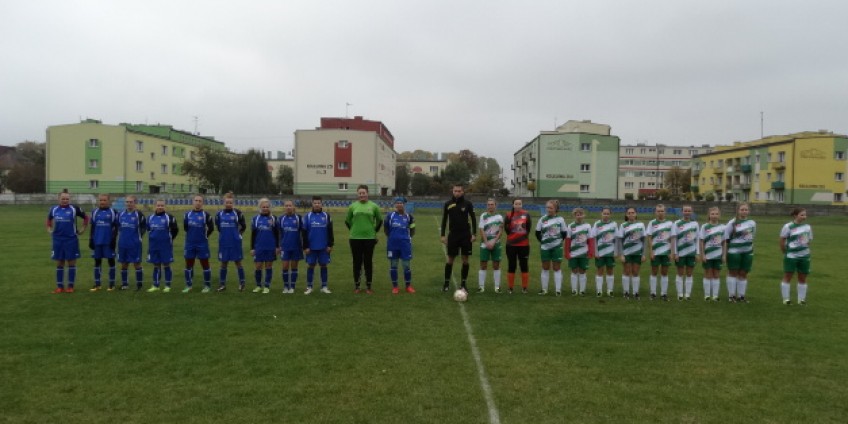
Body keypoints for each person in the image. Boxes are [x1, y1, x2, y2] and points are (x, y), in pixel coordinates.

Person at [47, 191, 88, 293]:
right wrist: (49, 229)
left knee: (71, 262)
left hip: (71, 240)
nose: (65, 200)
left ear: (69, 199)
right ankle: (60, 287)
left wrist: (83, 228)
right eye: (63, 199)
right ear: (58, 199)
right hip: (58, 240)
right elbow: (48, 220)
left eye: (67, 199)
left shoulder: (74, 209)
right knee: (60, 262)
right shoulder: (53, 209)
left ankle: (70, 286)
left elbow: (86, 217)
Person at [345, 184, 382, 294]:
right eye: (360, 193)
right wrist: (354, 230)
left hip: (369, 238)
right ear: (357, 194)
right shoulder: (352, 206)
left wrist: (373, 232)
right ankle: (357, 286)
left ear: (367, 193)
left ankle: (368, 287)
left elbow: (380, 221)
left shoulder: (374, 206)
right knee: (356, 262)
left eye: (364, 193)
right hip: (355, 238)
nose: (362, 195)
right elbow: (347, 221)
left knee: (368, 262)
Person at [440, 184, 477, 292]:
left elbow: (474, 219)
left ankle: (464, 284)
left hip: (466, 235)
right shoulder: (448, 204)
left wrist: (474, 234)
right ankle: (446, 284)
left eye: (459, 191)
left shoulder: (468, 204)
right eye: (455, 190)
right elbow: (444, 220)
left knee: (465, 260)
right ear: (452, 191)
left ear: (463, 192)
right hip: (453, 235)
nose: (457, 192)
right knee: (450, 259)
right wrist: (442, 235)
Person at [779, 208, 813, 305]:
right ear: (795, 215)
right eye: (802, 215)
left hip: (805, 256)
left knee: (802, 277)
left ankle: (801, 300)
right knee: (788, 276)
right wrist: (785, 252)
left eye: (805, 215)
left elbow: (809, 240)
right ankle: (786, 299)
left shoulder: (807, 227)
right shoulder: (788, 226)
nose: (804, 217)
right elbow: (782, 240)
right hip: (791, 256)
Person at [725, 203, 756, 303]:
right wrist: (725, 253)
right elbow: (726, 238)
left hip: (748, 251)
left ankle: (741, 296)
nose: (744, 211)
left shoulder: (752, 223)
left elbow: (753, 236)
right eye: (742, 209)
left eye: (746, 210)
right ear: (738, 211)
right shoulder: (732, 223)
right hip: (734, 251)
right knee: (733, 272)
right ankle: (731, 296)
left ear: (748, 211)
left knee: (743, 273)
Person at [215, 192, 247, 292]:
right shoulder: (219, 214)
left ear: (233, 203)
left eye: (230, 202)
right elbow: (218, 227)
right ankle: (222, 285)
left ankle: (242, 283)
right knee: (223, 263)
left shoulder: (238, 213)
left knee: (238, 262)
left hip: (235, 242)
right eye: (227, 202)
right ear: (223, 202)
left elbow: (243, 226)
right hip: (224, 242)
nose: (228, 204)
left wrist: (238, 235)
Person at [302, 196, 334, 295]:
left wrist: (330, 245)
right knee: (311, 265)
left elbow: (330, 231)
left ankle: (324, 286)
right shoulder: (307, 216)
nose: (317, 204)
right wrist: (305, 247)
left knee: (323, 265)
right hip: (311, 247)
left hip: (324, 247)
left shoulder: (326, 216)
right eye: (315, 203)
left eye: (318, 203)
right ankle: (309, 287)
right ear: (312, 204)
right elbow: (304, 232)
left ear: (321, 204)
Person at [183, 194, 215, 293]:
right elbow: (186, 228)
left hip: (202, 244)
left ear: (202, 203)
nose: (198, 202)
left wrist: (205, 236)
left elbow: (211, 228)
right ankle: (188, 285)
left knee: (205, 264)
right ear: (193, 202)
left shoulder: (206, 215)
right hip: (190, 243)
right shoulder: (187, 215)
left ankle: (207, 285)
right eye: (196, 200)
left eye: (200, 201)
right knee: (189, 264)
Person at [146, 199, 179, 293]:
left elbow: (175, 230)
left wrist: (169, 239)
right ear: (155, 206)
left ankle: (167, 285)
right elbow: (148, 229)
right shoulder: (150, 218)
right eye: (158, 205)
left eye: (162, 205)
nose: (160, 207)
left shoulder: (169, 218)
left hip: (165, 246)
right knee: (156, 265)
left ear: (165, 207)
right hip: (154, 245)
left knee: (166, 264)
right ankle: (155, 285)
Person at [384, 196, 416, 294]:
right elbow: (386, 229)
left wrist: (407, 238)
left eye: (401, 203)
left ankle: (408, 286)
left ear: (404, 204)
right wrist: (393, 237)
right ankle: (395, 287)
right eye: (397, 203)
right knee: (393, 265)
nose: (399, 204)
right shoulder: (390, 216)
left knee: (406, 265)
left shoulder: (409, 217)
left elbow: (412, 230)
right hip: (393, 244)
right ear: (395, 204)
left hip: (405, 244)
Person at [535, 200, 567, 296]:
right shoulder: (542, 219)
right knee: (545, 267)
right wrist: (543, 242)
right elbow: (537, 233)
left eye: (551, 208)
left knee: (557, 267)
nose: (548, 210)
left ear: (556, 209)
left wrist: (557, 241)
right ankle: (544, 289)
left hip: (557, 247)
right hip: (545, 247)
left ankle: (558, 290)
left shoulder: (560, 219)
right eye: (547, 207)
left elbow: (564, 233)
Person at [88, 194, 118, 291]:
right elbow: (92, 227)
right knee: (97, 262)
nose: (102, 202)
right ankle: (97, 284)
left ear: (108, 201)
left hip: (108, 242)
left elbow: (116, 227)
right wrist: (91, 239)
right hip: (97, 241)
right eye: (100, 200)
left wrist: (113, 240)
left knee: (111, 261)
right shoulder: (94, 212)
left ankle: (111, 284)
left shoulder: (113, 212)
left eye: (104, 200)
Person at [250, 198, 280, 294]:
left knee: (268, 266)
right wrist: (252, 248)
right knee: (258, 266)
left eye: (267, 207)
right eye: (263, 207)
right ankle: (258, 285)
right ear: (260, 207)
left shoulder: (274, 218)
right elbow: (253, 235)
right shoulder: (255, 219)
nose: (265, 208)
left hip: (270, 247)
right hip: (259, 247)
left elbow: (277, 234)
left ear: (269, 208)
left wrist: (277, 247)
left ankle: (267, 286)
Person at [117, 195, 146, 290]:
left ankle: (139, 285)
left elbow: (143, 227)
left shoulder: (139, 214)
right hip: (123, 243)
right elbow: (118, 227)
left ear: (135, 203)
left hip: (135, 244)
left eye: (131, 202)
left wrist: (138, 237)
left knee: (136, 263)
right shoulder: (120, 214)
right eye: (127, 202)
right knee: (124, 263)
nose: (129, 204)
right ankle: (125, 284)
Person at [671, 205, 699, 300]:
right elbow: (674, 239)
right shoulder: (677, 223)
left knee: (689, 273)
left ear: (691, 212)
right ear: (682, 212)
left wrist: (697, 253)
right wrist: (675, 253)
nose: (687, 212)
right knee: (680, 272)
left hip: (691, 252)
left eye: (689, 211)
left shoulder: (695, 224)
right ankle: (679, 294)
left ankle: (687, 294)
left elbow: (697, 239)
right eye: (685, 211)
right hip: (680, 252)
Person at [699, 206, 726, 302]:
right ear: (709, 215)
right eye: (712, 214)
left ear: (719, 215)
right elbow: (701, 241)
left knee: (716, 274)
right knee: (708, 273)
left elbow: (724, 242)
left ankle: (715, 295)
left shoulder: (723, 227)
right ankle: (707, 295)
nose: (714, 216)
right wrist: (702, 255)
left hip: (718, 255)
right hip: (708, 255)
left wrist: (724, 255)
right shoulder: (705, 227)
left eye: (716, 214)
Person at [646, 204, 673, 301]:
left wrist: (671, 252)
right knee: (654, 271)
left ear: (665, 212)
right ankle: (653, 293)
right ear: (655, 212)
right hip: (656, 252)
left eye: (662, 211)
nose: (660, 213)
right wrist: (651, 251)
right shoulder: (652, 223)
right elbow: (649, 237)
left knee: (665, 272)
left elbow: (671, 238)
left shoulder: (670, 223)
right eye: (658, 211)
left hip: (666, 252)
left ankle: (664, 294)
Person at [504, 198, 531, 294]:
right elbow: (506, 230)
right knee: (512, 265)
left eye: (520, 204)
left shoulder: (526, 214)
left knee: (524, 265)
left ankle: (524, 288)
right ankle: (510, 288)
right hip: (511, 245)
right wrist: (513, 238)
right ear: (513, 205)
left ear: (522, 205)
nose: (518, 205)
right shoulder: (508, 215)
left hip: (524, 245)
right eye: (516, 204)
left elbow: (528, 228)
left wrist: (522, 237)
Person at [618, 207, 646, 300]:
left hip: (637, 252)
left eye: (632, 212)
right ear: (626, 214)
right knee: (626, 271)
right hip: (626, 253)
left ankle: (635, 292)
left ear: (636, 214)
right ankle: (626, 292)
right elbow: (620, 241)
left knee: (635, 272)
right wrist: (621, 254)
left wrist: (644, 254)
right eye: (629, 213)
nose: (631, 214)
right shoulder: (623, 225)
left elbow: (644, 240)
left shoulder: (641, 225)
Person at [477, 198, 504, 293]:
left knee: (496, 265)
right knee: (483, 264)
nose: (490, 206)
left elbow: (500, 231)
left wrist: (493, 241)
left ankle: (497, 287)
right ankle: (481, 287)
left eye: (492, 204)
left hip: (496, 243)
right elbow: (481, 230)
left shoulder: (499, 217)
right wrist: (486, 242)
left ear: (495, 205)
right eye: (488, 204)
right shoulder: (483, 216)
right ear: (486, 205)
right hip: (485, 243)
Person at [566, 207, 594, 296]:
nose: (579, 216)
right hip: (573, 253)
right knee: (574, 270)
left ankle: (582, 290)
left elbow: (590, 240)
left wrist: (590, 252)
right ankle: (574, 290)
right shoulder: (570, 226)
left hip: (583, 253)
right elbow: (568, 240)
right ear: (574, 216)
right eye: (577, 215)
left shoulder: (587, 226)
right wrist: (567, 252)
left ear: (583, 215)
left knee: (582, 271)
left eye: (580, 214)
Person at [279, 199, 304, 294]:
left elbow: (303, 232)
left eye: (290, 205)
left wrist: (303, 244)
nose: (288, 207)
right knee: (285, 266)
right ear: (284, 207)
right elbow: (279, 233)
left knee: (294, 267)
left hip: (296, 246)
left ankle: (292, 287)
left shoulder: (298, 218)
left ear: (293, 207)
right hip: (285, 246)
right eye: (286, 205)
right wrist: (279, 245)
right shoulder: (281, 219)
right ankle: (286, 286)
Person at [591, 207, 618, 297]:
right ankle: (599, 290)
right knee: (600, 270)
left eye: (607, 213)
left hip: (610, 252)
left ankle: (610, 290)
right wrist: (596, 252)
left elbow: (616, 239)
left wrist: (615, 251)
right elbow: (594, 238)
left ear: (610, 214)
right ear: (601, 214)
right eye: (604, 213)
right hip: (600, 252)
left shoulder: (614, 224)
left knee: (610, 270)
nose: (606, 215)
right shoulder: (597, 224)